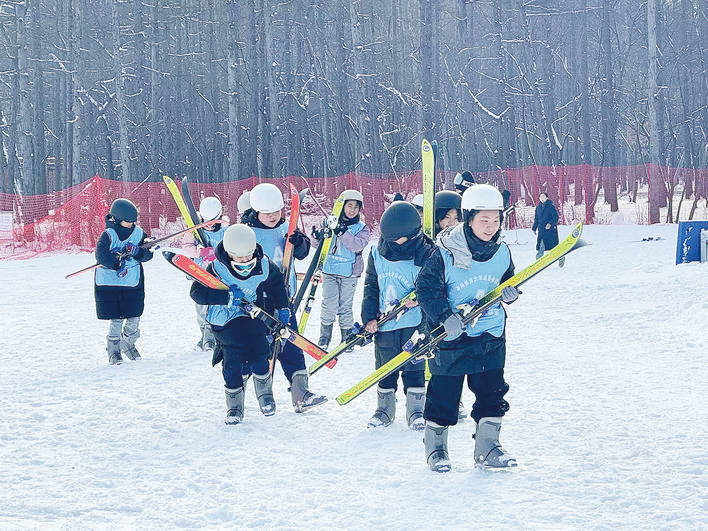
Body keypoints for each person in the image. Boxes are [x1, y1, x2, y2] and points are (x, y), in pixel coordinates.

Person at [416, 184, 520, 472]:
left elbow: (505, 280)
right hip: (452, 335)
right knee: (444, 395)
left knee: (492, 392)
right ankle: (436, 449)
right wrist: (443, 316)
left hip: (490, 333)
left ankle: (488, 448)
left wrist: (508, 292)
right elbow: (425, 289)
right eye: (483, 220)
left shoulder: (502, 251)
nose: (490, 227)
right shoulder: (446, 252)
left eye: (496, 220)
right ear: (469, 218)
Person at [190, 224, 288, 424]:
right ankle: (234, 407)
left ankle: (265, 394)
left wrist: (283, 307)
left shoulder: (264, 264)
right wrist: (225, 296)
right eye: (238, 257)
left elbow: (277, 285)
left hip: (252, 314)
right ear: (228, 252)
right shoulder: (216, 268)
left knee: (260, 351)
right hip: (225, 319)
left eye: (248, 256)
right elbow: (197, 293)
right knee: (233, 360)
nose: (244, 261)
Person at [243, 183, 327, 412]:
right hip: (257, 301)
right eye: (267, 212)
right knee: (258, 347)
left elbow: (301, 253)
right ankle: (250, 393)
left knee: (291, 344)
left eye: (276, 211)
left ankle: (301, 394)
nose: (273, 216)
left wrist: (300, 243)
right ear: (256, 211)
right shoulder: (246, 233)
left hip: (283, 299)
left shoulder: (285, 229)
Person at [361, 201, 436, 430]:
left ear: (413, 234)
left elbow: (437, 286)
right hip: (386, 324)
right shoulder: (377, 252)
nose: (393, 244)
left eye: (398, 239)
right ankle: (384, 409)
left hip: (416, 322)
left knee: (414, 366)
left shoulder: (428, 253)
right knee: (385, 366)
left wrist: (421, 298)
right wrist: (369, 317)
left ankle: (416, 410)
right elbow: (371, 285)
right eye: (389, 238)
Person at [94, 198, 155, 365]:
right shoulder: (108, 235)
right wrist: (116, 263)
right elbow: (101, 255)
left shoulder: (139, 233)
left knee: (134, 316)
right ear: (117, 219)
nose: (131, 224)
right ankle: (113, 350)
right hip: (111, 284)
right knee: (117, 318)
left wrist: (138, 252)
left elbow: (148, 254)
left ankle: (128, 342)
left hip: (131, 283)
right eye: (128, 222)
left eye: (133, 221)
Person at [315, 189, 371, 350]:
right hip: (330, 270)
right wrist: (318, 235)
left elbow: (356, 245)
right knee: (329, 304)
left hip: (349, 273)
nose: (352, 210)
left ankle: (347, 337)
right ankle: (324, 336)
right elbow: (318, 246)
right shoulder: (329, 222)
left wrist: (341, 231)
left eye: (355, 207)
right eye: (349, 206)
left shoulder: (362, 228)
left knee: (345, 306)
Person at [182, 196, 228, 351]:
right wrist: (199, 251)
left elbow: (229, 249)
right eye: (206, 222)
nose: (209, 226)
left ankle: (215, 336)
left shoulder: (226, 230)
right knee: (201, 307)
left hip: (219, 275)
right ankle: (205, 336)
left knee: (216, 306)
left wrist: (216, 254)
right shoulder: (195, 230)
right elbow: (186, 246)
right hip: (200, 274)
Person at [532, 192, 560, 261]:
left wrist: (550, 224)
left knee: (553, 248)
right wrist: (534, 228)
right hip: (541, 230)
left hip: (550, 231)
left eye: (543, 197)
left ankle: (561, 257)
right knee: (541, 246)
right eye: (540, 197)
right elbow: (536, 219)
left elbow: (555, 217)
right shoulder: (538, 208)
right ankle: (538, 262)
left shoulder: (551, 206)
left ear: (547, 198)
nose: (542, 198)